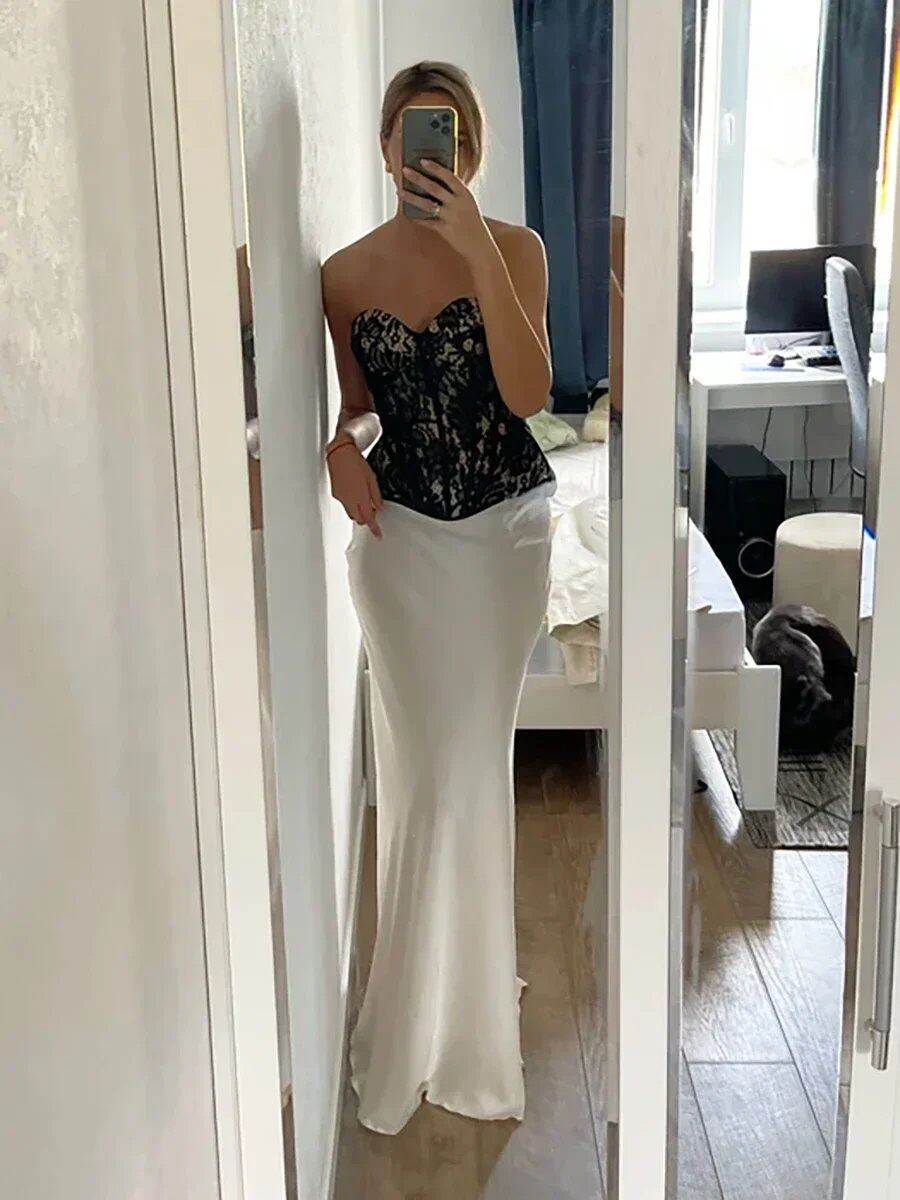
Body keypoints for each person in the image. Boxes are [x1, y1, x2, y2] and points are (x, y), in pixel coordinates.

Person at [322, 61, 556, 1136]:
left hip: (504, 536)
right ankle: (417, 1016)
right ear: (386, 146)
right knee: (422, 778)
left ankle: (464, 1024)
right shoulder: (342, 275)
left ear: (470, 148)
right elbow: (358, 408)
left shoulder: (516, 249)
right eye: (416, 131)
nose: (431, 148)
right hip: (401, 545)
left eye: (450, 132)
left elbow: (528, 394)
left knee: (468, 768)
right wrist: (339, 445)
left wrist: (473, 251)